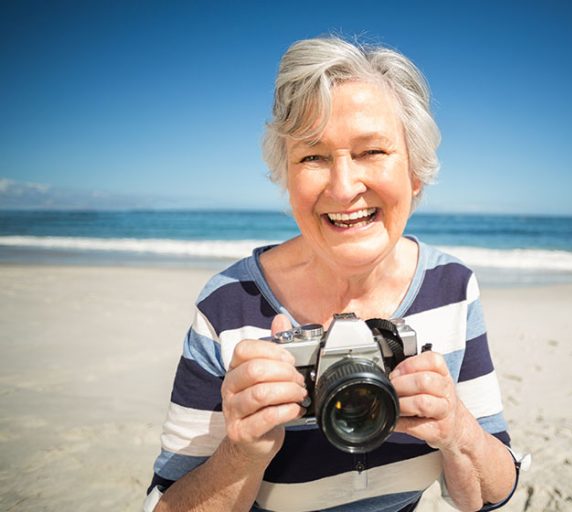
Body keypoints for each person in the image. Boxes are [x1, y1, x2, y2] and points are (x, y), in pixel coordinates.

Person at [144, 36, 524, 512]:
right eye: (313, 157)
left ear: (415, 172)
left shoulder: (451, 287)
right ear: (287, 176)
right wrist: (241, 453)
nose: (344, 189)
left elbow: (488, 498)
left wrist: (458, 431)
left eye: (371, 152)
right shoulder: (229, 304)